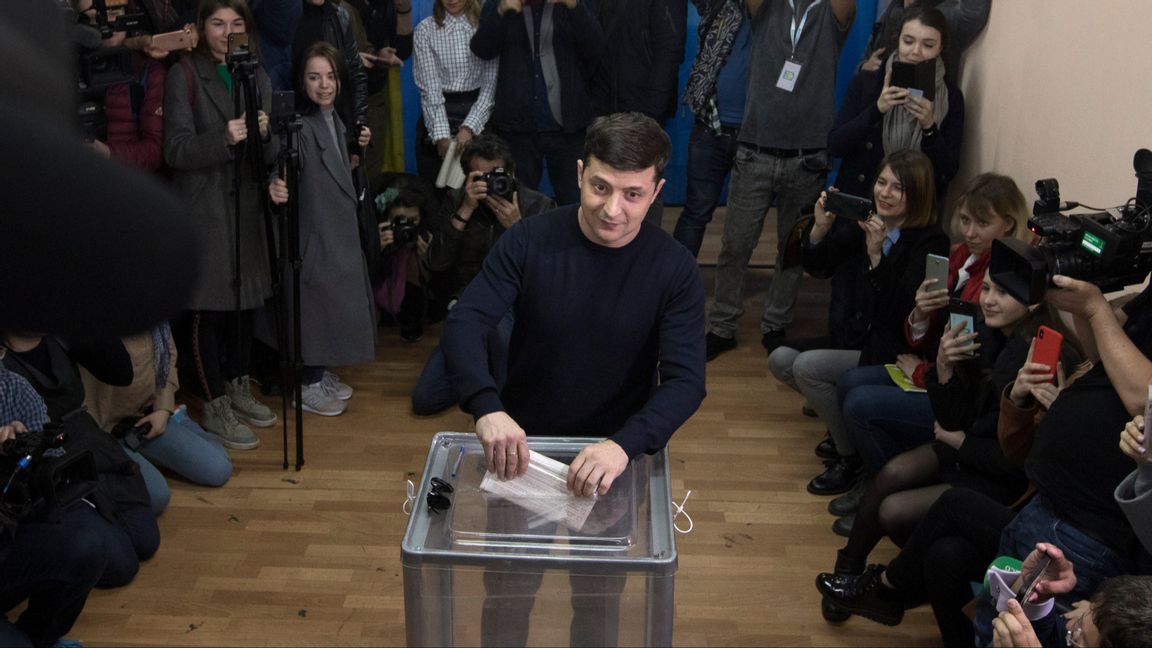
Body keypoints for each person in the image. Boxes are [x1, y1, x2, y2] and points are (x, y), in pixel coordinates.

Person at [441, 110, 704, 646]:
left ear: (657, 192)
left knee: (599, 598)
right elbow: (466, 321)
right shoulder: (529, 239)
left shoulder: (674, 268)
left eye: (633, 194)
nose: (613, 209)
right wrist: (486, 406)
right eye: (600, 187)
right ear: (580, 172)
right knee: (509, 590)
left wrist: (624, 445)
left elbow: (684, 381)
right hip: (521, 452)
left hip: (612, 459)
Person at [816, 274, 1084, 623]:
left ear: (1033, 303)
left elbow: (1014, 461)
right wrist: (943, 369)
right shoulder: (988, 334)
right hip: (969, 447)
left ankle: (893, 589)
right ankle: (850, 569)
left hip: (1000, 478)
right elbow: (954, 417)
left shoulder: (1038, 361)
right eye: (986, 288)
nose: (989, 299)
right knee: (894, 472)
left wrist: (961, 441)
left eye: (1003, 293)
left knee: (894, 510)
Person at [827, 173, 1028, 520]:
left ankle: (882, 485)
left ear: (1008, 224)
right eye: (965, 220)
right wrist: (920, 311)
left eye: (982, 223)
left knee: (860, 402)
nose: (970, 232)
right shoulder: (959, 256)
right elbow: (920, 333)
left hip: (952, 391)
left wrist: (921, 372)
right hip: (934, 368)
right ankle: (869, 473)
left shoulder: (1000, 276)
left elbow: (972, 365)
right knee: (849, 382)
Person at [768, 150, 949, 495]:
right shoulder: (867, 222)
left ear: (919, 195)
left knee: (807, 368)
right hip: (852, 338)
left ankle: (848, 456)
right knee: (780, 358)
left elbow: (903, 314)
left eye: (898, 188)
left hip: (889, 349)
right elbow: (819, 267)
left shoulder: (929, 241)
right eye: (881, 182)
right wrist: (820, 229)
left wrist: (877, 256)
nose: (885, 193)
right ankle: (845, 430)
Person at [704, 0, 856, 361]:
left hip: (808, 156)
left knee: (792, 249)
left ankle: (775, 324)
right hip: (755, 149)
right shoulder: (767, 9)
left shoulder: (830, 13)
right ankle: (722, 325)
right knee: (735, 245)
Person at [164, 0, 279, 449]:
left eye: (235, 23)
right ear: (201, 27)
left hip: (245, 208)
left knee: (244, 307)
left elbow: (270, 154)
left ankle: (237, 385)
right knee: (206, 311)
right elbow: (175, 149)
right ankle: (213, 403)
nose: (227, 32)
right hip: (203, 209)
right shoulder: (184, 74)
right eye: (217, 23)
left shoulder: (257, 74)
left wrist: (265, 134)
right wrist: (222, 138)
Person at [268, 42, 377, 417]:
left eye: (330, 76)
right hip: (316, 233)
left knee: (331, 307)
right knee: (314, 309)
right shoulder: (299, 127)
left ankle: (317, 372)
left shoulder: (337, 120)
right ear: (302, 81)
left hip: (336, 229)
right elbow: (281, 166)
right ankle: (306, 383)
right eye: (314, 77)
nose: (324, 85)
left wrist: (357, 151)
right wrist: (275, 184)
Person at [413, 133, 555, 415]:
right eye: (481, 177)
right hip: (469, 307)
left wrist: (517, 228)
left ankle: (498, 405)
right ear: (467, 178)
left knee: (499, 333)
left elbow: (549, 275)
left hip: (515, 309)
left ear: (511, 173)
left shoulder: (537, 205)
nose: (491, 184)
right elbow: (435, 263)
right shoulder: (457, 200)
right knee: (425, 399)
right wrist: (464, 211)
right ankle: (485, 368)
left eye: (497, 175)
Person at [468, 0, 606, 207]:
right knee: (517, 201)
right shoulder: (498, 2)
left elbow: (596, 47)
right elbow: (481, 50)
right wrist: (501, 11)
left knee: (575, 200)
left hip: (568, 124)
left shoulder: (576, 3)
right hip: (517, 127)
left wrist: (574, 6)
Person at [81, 328, 233, 514]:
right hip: (101, 430)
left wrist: (163, 408)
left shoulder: (151, 315)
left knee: (218, 469)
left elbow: (167, 354)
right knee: (156, 497)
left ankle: (178, 419)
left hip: (145, 417)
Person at [828, 6, 964, 202]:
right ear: (897, 40)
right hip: (860, 201)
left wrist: (929, 127)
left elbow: (947, 172)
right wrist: (877, 109)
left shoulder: (951, 96)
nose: (916, 52)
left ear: (940, 48)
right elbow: (835, 146)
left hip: (913, 207)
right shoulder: (866, 83)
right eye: (908, 41)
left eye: (928, 45)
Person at [673, 0, 751, 256]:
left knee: (744, 221)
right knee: (696, 210)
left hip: (756, 134)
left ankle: (730, 282)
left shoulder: (782, 15)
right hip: (711, 123)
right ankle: (676, 275)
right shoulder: (719, 5)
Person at [412, 0, 497, 194]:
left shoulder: (486, 27)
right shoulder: (425, 30)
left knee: (480, 191)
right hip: (438, 115)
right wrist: (441, 136)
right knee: (436, 192)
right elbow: (429, 89)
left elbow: (490, 86)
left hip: (479, 114)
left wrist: (468, 128)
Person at [374, 182, 434, 342]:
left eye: (413, 220)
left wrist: (427, 258)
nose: (406, 226)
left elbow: (429, 285)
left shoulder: (424, 238)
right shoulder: (375, 239)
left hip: (416, 321)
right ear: (386, 219)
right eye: (400, 220)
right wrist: (375, 251)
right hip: (381, 323)